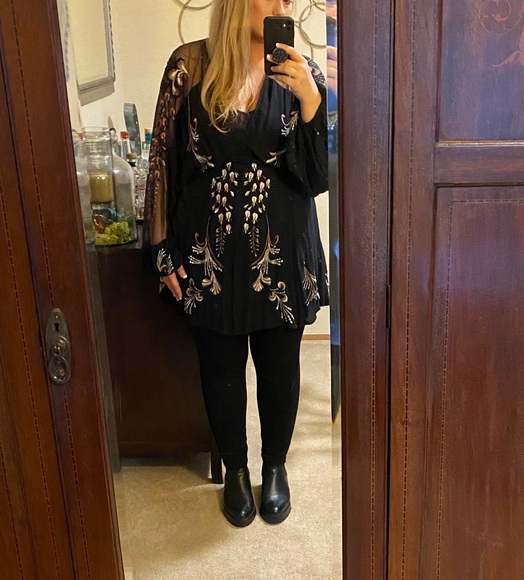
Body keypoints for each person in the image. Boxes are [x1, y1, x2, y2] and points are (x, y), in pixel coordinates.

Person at [145, 0, 328, 528]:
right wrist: (161, 250)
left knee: (280, 370)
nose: (282, 6)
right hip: (209, 256)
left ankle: (274, 467)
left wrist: (311, 103)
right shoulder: (188, 67)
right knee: (220, 371)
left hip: (282, 257)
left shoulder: (302, 75)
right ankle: (238, 471)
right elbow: (162, 162)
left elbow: (318, 179)